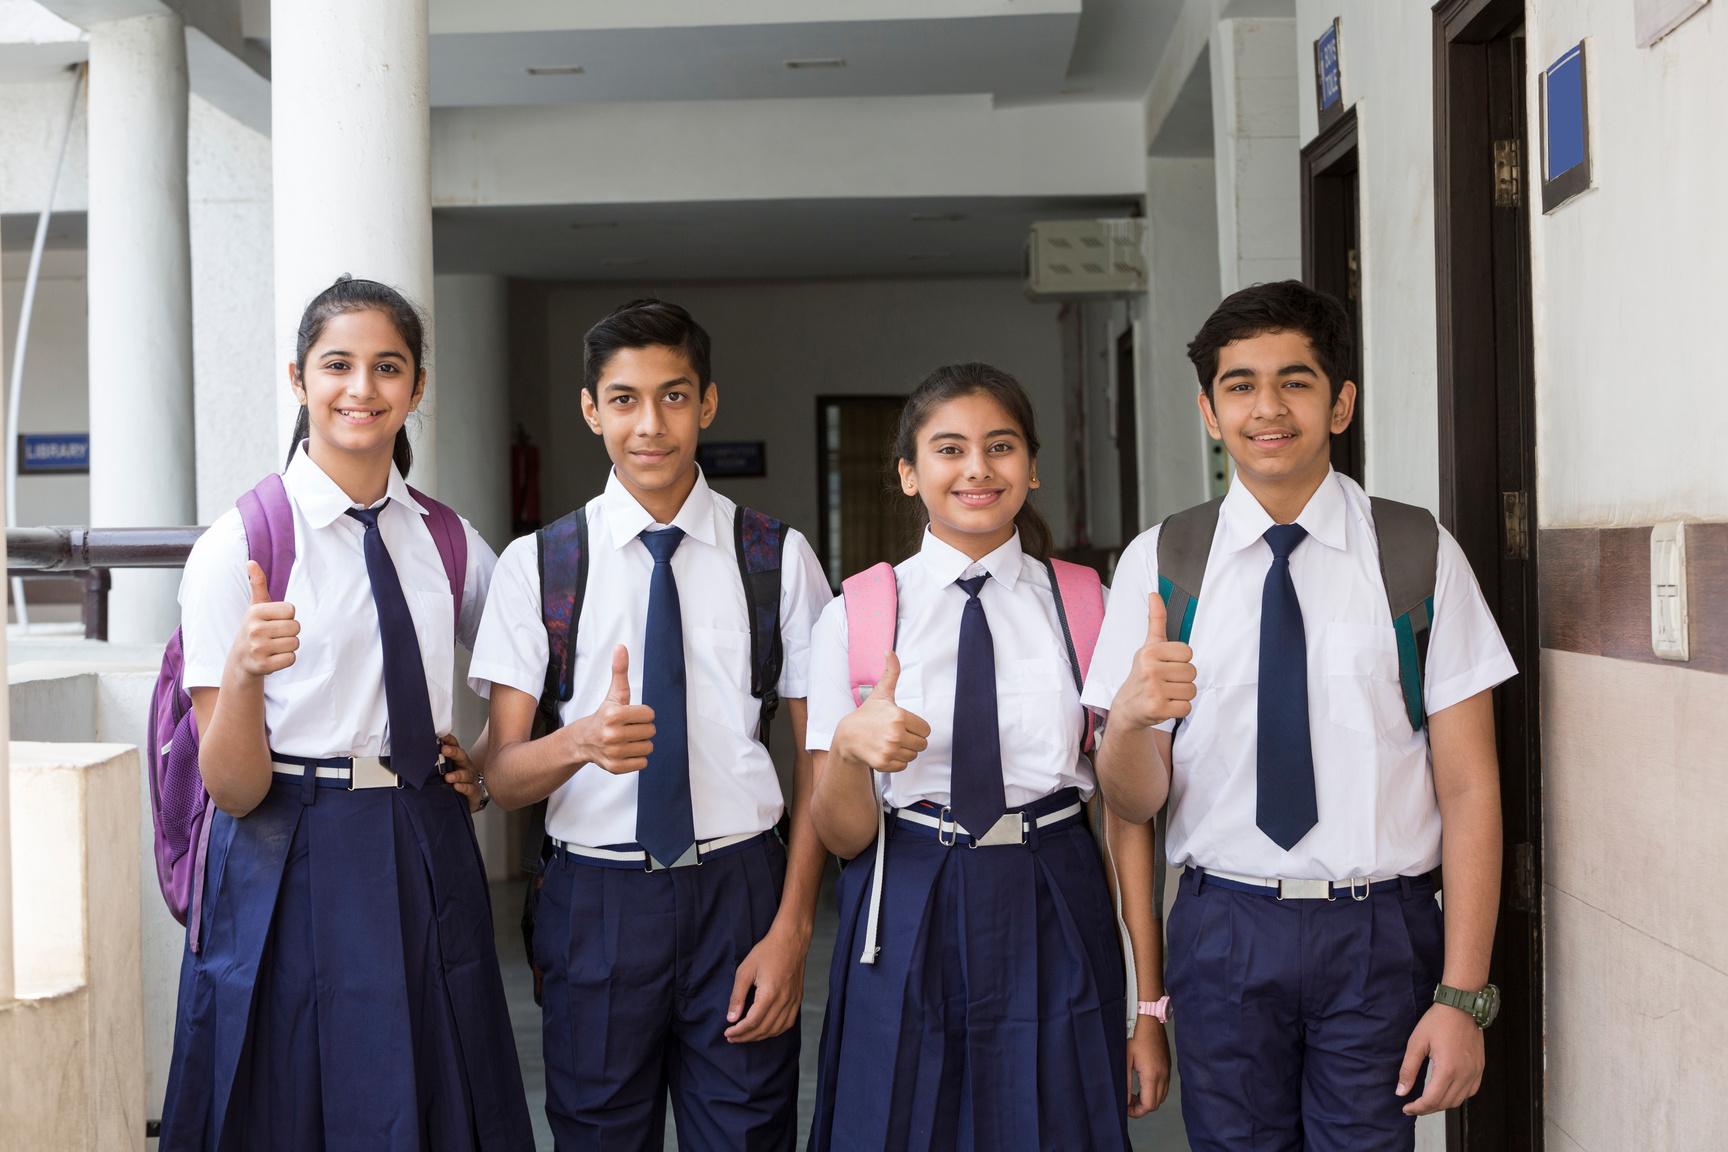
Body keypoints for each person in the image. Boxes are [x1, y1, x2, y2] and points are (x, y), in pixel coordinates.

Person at [1082, 280, 1517, 1151]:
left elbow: (1470, 787)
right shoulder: (1160, 564)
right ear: (1209, 411)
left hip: (1379, 930)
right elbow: (1129, 802)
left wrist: (1462, 995)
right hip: (1224, 924)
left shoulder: (1416, 552)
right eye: (1239, 385)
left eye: (1296, 381)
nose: (1267, 408)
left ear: (1341, 402)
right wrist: (1127, 722)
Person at [158, 276, 533, 1151]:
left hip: (420, 836)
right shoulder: (239, 548)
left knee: (443, 1089)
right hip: (285, 846)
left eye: (387, 367)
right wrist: (247, 671)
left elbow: (529, 651)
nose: (361, 389)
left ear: (417, 387)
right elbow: (235, 789)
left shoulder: (447, 539)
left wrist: (486, 753)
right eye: (337, 365)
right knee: (283, 1102)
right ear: (298, 379)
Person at [470, 299, 831, 1151]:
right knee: (598, 1137)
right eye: (625, 399)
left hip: (742, 892)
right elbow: (500, 775)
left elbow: (820, 761)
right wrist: (581, 742)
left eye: (673, 396)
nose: (650, 424)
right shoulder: (542, 564)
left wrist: (792, 930)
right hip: (594, 900)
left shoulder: (777, 557)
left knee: (748, 1136)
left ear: (707, 403)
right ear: (592, 410)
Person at [804, 362, 1169, 1152]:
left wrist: (1150, 1005)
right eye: (948, 449)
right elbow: (839, 836)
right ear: (909, 474)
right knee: (897, 1125)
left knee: (1056, 1125)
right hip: (905, 891)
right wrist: (848, 752)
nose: (977, 468)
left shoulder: (1085, 603)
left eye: (1000, 446)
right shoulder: (858, 613)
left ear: (1031, 467)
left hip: (1054, 888)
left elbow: (1126, 814)